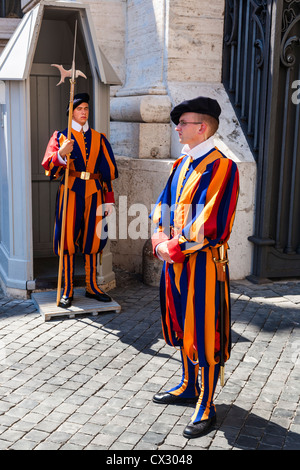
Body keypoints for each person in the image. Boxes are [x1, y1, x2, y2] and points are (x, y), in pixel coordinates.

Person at [150, 96, 239, 438]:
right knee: (178, 322)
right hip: (175, 263)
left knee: (204, 330)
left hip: (203, 264)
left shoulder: (222, 166)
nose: (177, 128)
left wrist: (173, 245)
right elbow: (162, 205)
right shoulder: (181, 164)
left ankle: (207, 402)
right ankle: (188, 384)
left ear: (201, 127)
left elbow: (210, 220)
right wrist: (159, 236)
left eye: (183, 123)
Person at [42, 93, 118, 308]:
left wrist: (109, 200)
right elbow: (50, 168)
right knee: (67, 240)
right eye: (79, 109)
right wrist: (61, 154)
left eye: (86, 108)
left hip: (95, 192)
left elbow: (106, 172)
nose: (84, 112)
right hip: (70, 192)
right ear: (71, 112)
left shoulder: (99, 137)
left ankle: (92, 286)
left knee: (93, 240)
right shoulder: (60, 137)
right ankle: (67, 289)